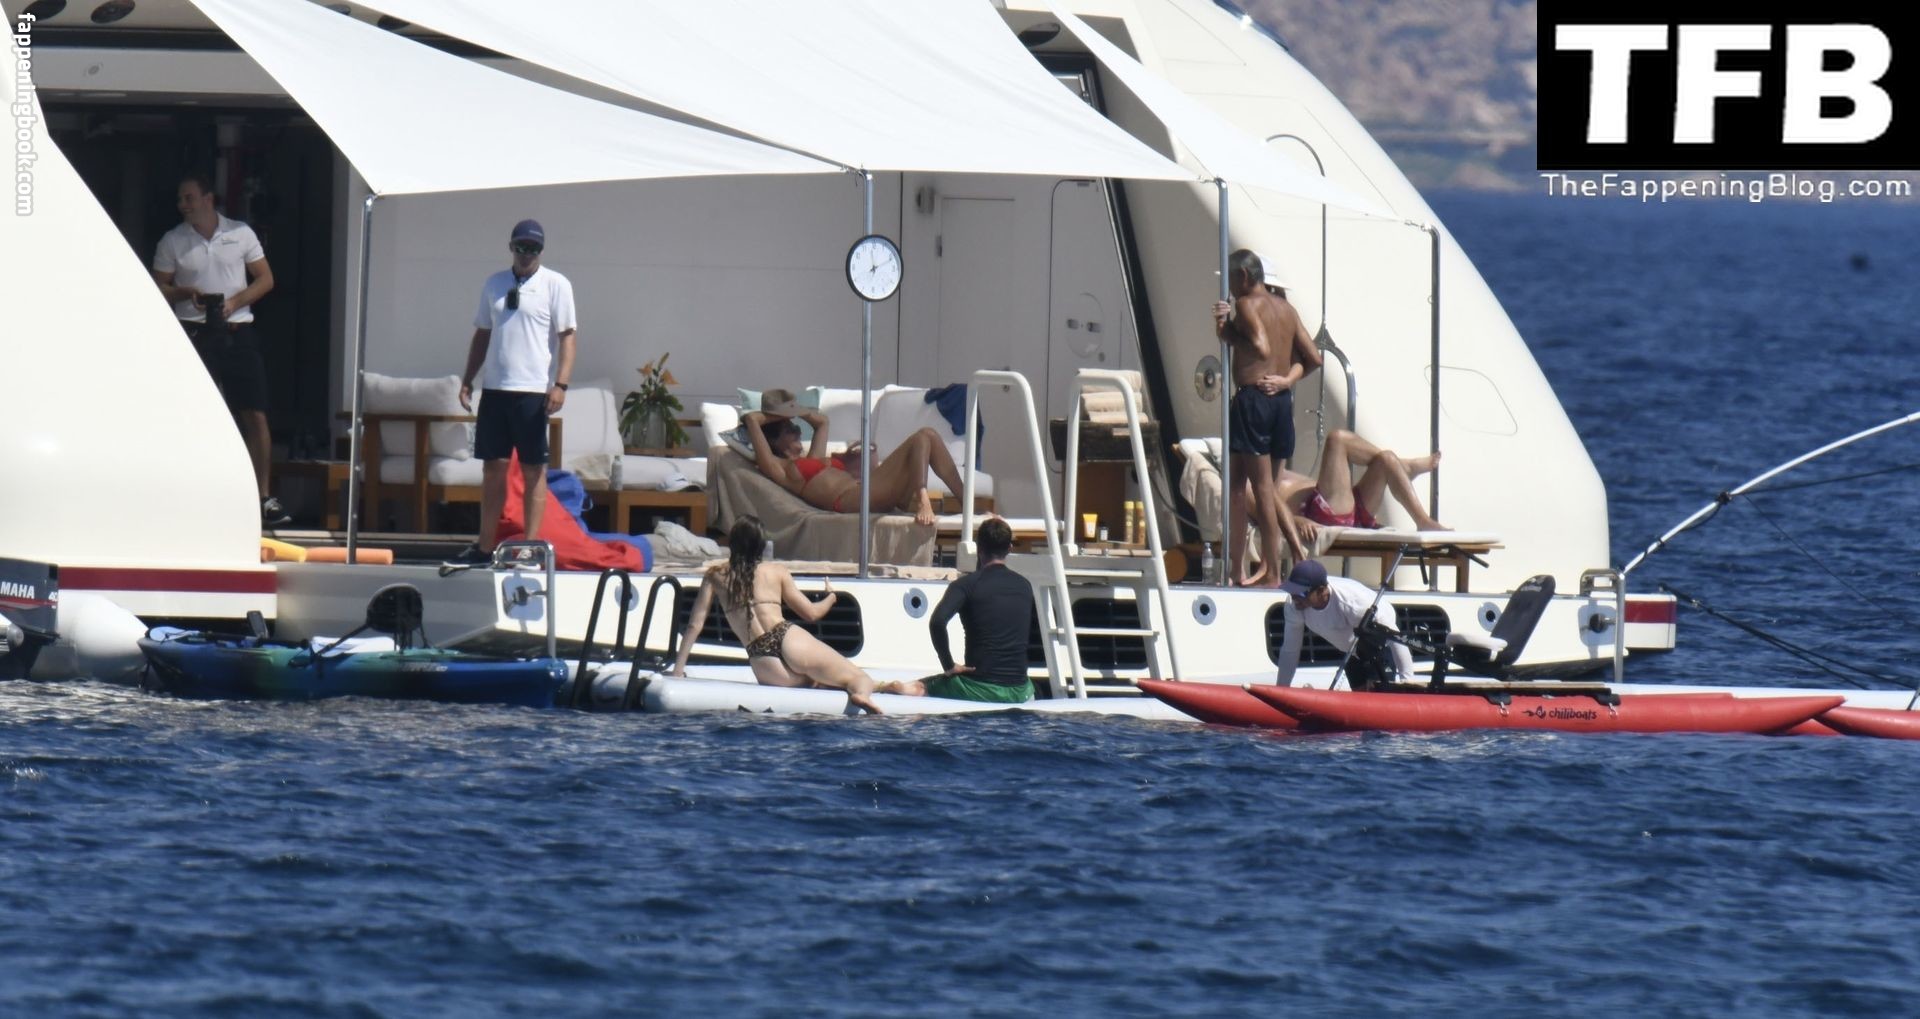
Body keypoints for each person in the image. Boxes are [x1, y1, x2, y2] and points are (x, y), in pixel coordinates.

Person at [151, 173, 282, 526]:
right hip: (193, 332)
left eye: (189, 198)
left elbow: (266, 279)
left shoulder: (240, 233)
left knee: (254, 413)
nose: (183, 205)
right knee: (195, 415)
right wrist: (186, 293)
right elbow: (158, 286)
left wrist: (233, 302)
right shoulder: (173, 240)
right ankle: (195, 495)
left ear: (208, 199)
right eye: (180, 199)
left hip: (238, 330)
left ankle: (263, 498)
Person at [447, 219, 577, 566]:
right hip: (496, 388)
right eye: (521, 247)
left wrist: (560, 384)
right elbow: (483, 333)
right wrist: (468, 378)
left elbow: (567, 336)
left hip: (532, 390)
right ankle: (484, 546)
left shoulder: (556, 284)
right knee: (493, 467)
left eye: (532, 248)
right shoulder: (495, 283)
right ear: (511, 247)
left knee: (534, 470)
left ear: (541, 250)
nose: (526, 254)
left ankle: (530, 547)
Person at [669, 516, 883, 714]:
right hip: (787, 637)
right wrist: (832, 597)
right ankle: (862, 695)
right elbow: (811, 613)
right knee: (858, 677)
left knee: (813, 683)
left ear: (732, 543)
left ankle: (886, 687)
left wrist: (678, 671)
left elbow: (694, 625)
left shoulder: (715, 576)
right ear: (761, 545)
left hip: (761, 658)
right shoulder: (776, 571)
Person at [1212, 249, 1321, 587]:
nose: (1231, 289)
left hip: (1253, 401)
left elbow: (1260, 346)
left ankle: (1271, 570)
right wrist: (1287, 380)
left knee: (1261, 489)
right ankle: (1237, 568)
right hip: (1280, 402)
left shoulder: (1247, 304)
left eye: (1232, 281)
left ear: (1244, 277)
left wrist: (1226, 331)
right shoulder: (1287, 309)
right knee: (1237, 487)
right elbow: (1314, 358)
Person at [740, 389, 972, 527]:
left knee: (929, 435)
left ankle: (967, 506)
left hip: (867, 490)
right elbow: (751, 419)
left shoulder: (812, 460)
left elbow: (822, 422)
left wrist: (792, 410)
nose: (798, 430)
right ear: (774, 440)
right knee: (922, 437)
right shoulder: (782, 469)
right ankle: (922, 499)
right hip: (852, 500)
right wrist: (776, 414)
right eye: (790, 429)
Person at [879, 517, 1036, 703]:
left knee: (920, 687)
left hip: (978, 688)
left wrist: (948, 665)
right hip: (1020, 690)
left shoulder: (965, 585)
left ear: (979, 548)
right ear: (1009, 548)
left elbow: (937, 622)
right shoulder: (1025, 586)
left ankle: (894, 687)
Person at [1273, 429, 1446, 558]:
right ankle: (1402, 467)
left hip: (1346, 505)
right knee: (1337, 439)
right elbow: (1265, 514)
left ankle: (1423, 520)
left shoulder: (1276, 471)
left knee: (1386, 459)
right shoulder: (1260, 483)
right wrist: (1297, 521)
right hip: (1325, 514)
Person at [1274, 559, 1415, 690]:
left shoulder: (1352, 603)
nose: (1294, 597)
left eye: (1301, 593)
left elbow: (1396, 639)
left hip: (1381, 640)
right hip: (1349, 649)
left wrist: (1408, 682)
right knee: (1359, 694)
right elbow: (1290, 650)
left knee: (1377, 694)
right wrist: (1281, 689)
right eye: (1291, 591)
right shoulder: (1294, 605)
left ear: (1321, 591)